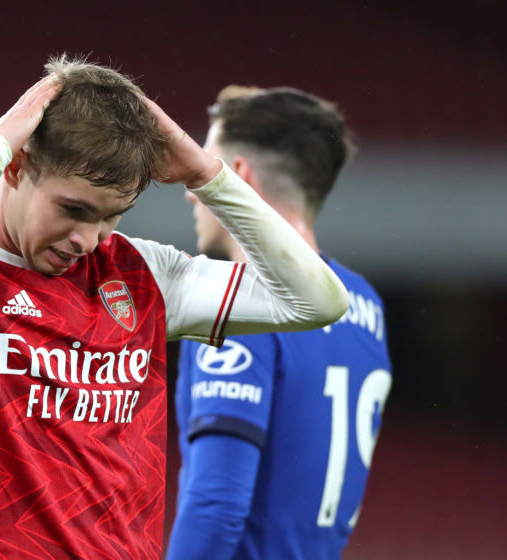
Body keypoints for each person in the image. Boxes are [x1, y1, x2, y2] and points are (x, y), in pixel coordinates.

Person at [0, 57, 349, 560]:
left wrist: (208, 176)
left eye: (109, 218)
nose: (87, 240)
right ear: (16, 166)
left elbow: (317, 302)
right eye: (73, 210)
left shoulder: (141, 275)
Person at [167, 86, 393, 560]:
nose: (189, 191)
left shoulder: (236, 303)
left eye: (202, 166)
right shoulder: (364, 303)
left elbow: (216, 505)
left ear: (235, 175)